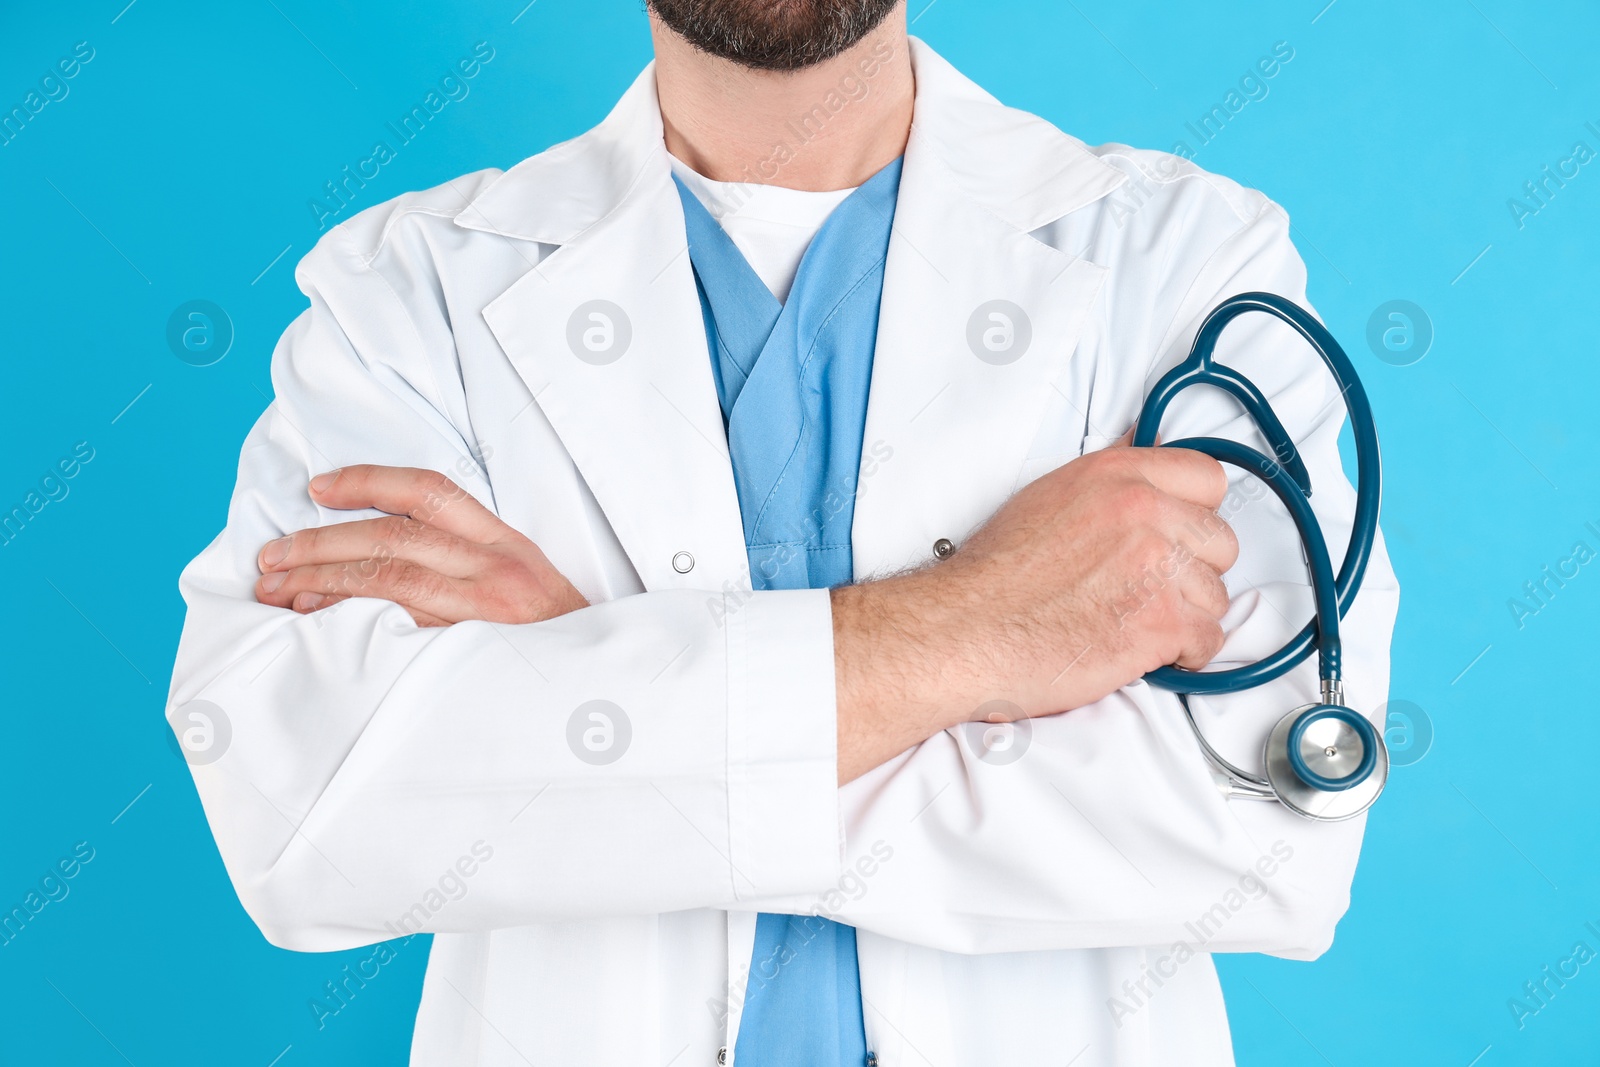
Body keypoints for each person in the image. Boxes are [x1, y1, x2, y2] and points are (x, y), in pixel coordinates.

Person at [168, 2, 1399, 1064]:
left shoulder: (1176, 255)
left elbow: (1263, 839)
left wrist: (591, 682)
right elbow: (308, 814)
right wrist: (976, 625)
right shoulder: (409, 290)